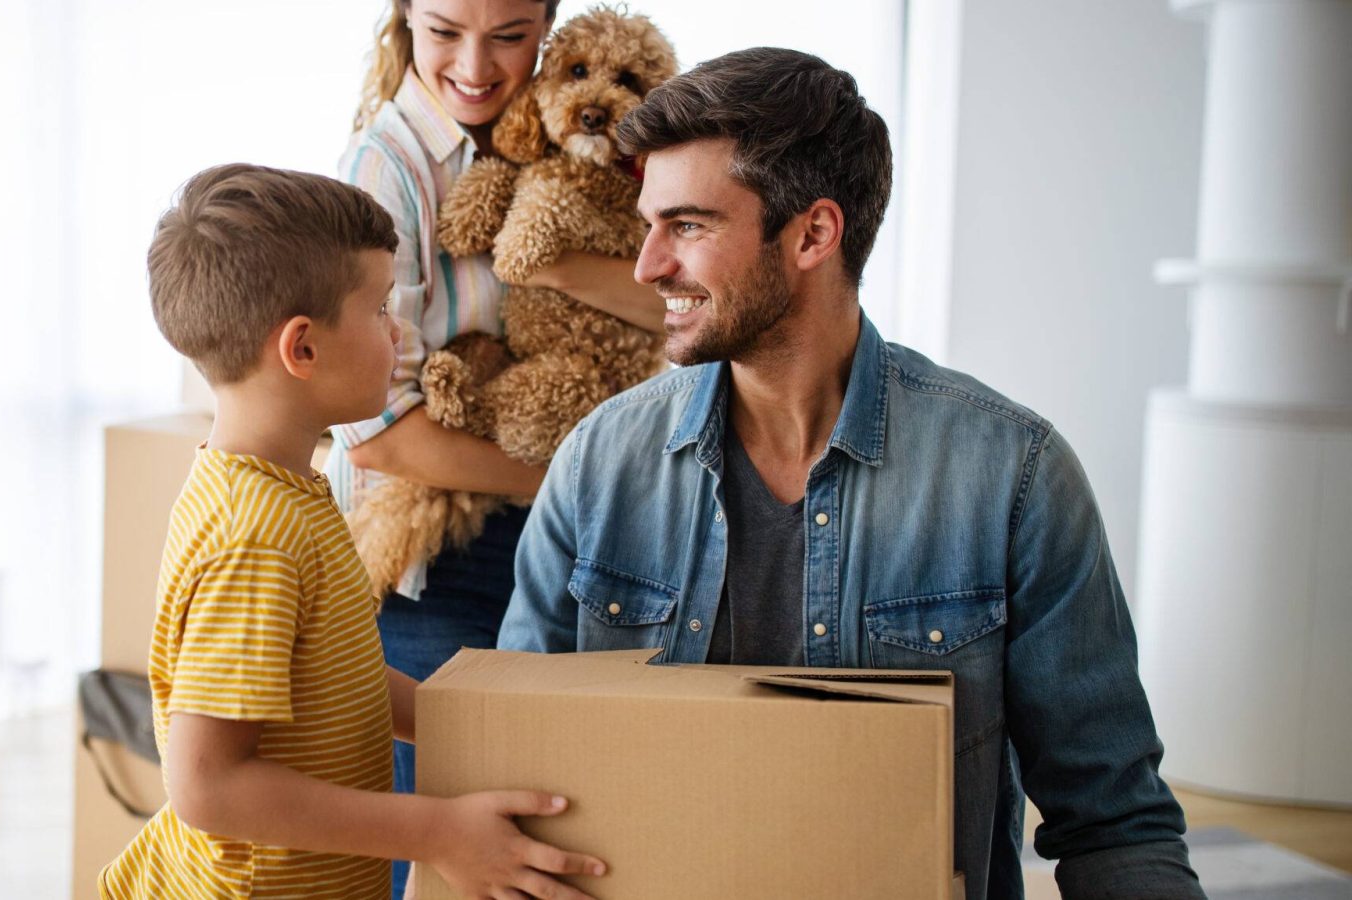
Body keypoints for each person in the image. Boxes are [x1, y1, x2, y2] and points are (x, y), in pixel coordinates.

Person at [495, 48, 1206, 900]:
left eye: (686, 225)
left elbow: (1113, 820)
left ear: (813, 234)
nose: (648, 267)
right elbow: (517, 770)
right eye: (650, 224)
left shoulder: (1011, 475)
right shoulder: (598, 464)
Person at [100, 163, 607, 900]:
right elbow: (208, 787)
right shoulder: (256, 536)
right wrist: (437, 832)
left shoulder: (283, 489)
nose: (399, 331)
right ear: (301, 348)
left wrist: (473, 722)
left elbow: (336, 678)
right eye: (379, 311)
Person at [331, 6, 659, 893]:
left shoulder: (552, 150)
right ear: (405, 16)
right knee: (442, 849)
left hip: (550, 540)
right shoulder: (387, 169)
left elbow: (678, 313)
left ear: (547, 32)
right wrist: (568, 485)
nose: (476, 67)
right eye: (444, 31)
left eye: (510, 36)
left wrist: (543, 262)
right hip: (442, 553)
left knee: (555, 825)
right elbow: (380, 438)